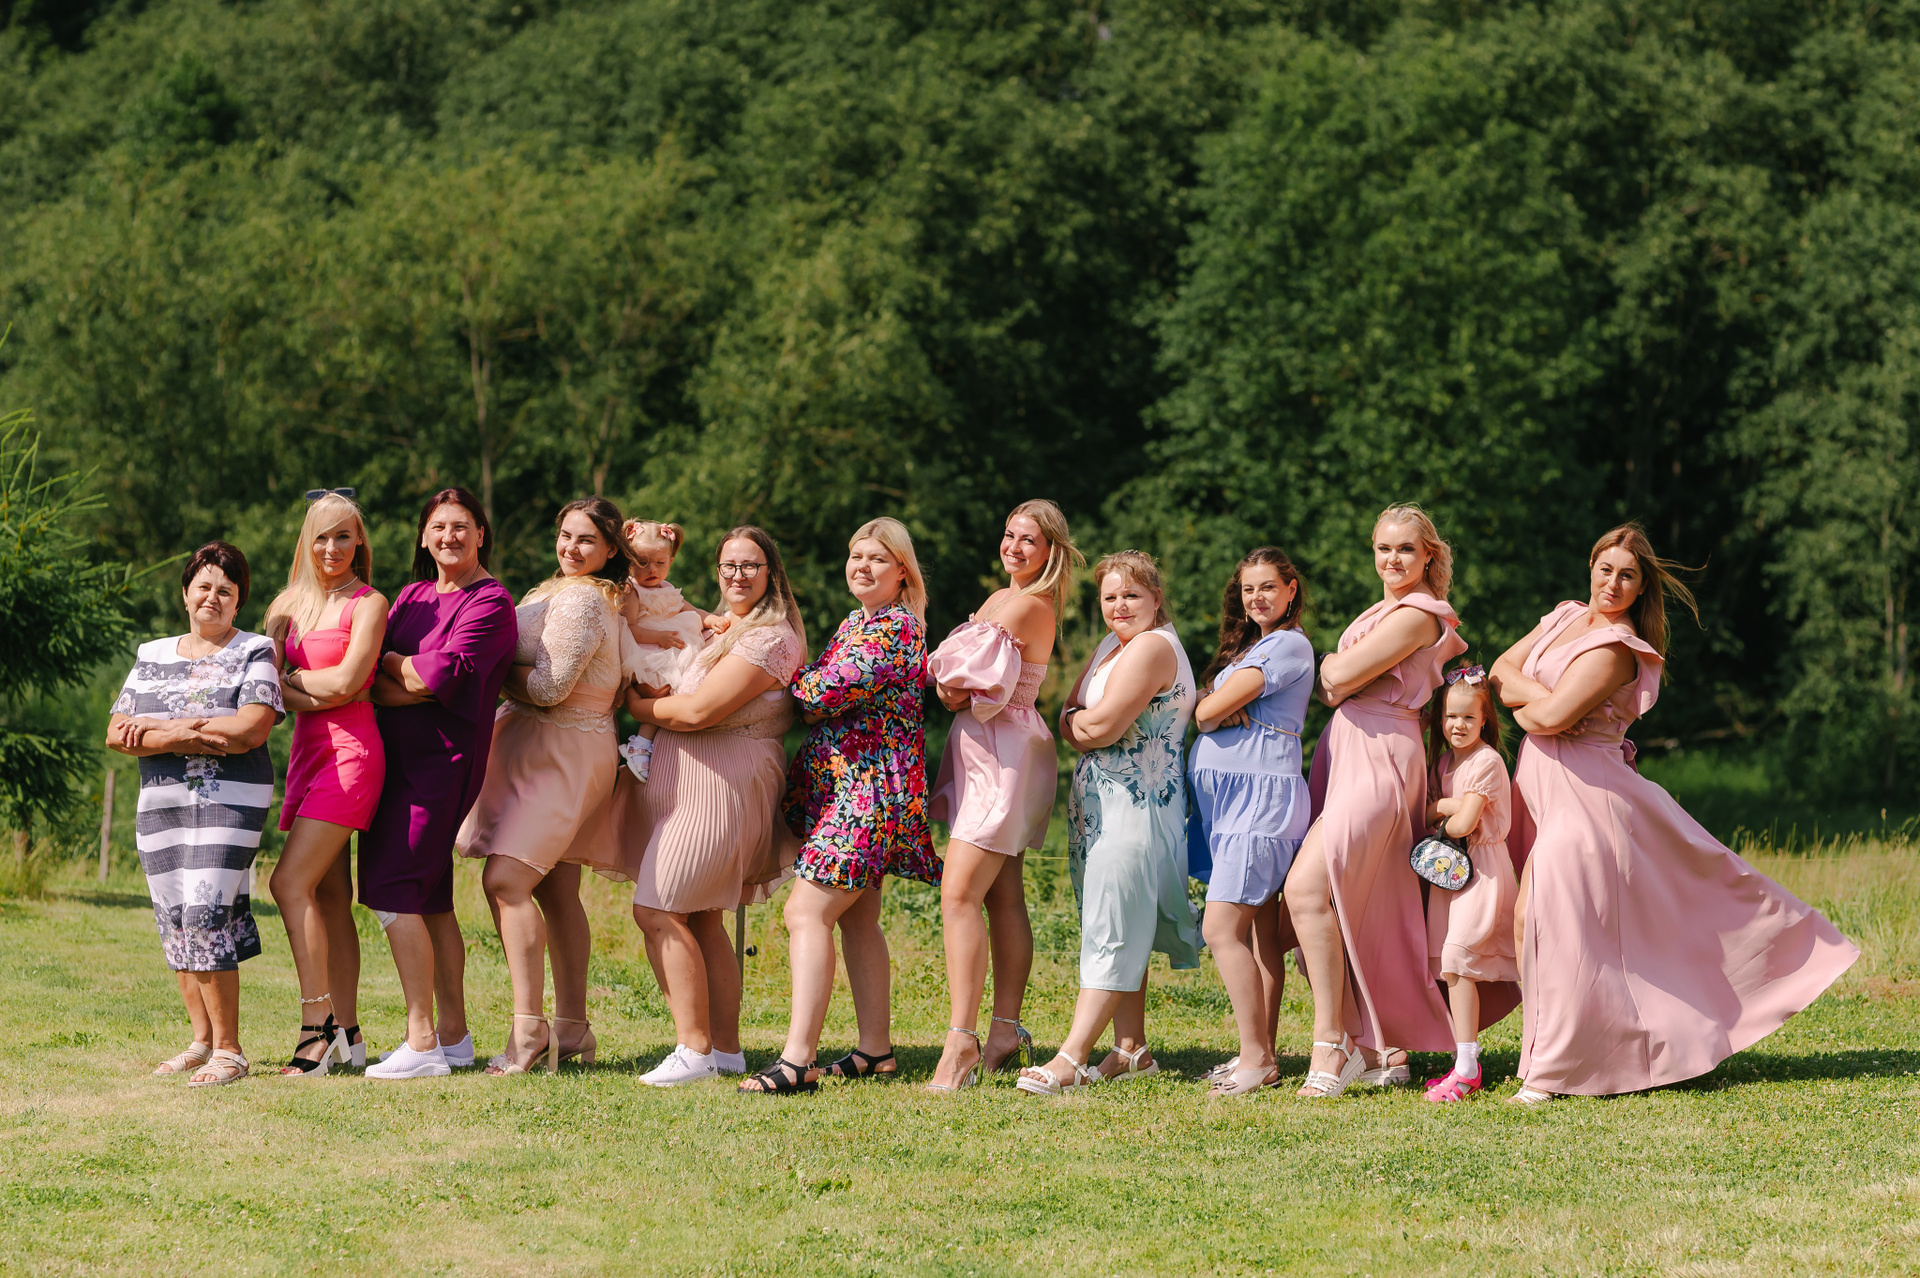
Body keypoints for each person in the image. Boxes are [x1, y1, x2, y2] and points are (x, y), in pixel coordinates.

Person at [1491, 524, 1859, 1103]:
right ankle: (1553, 1051)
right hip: (1549, 797)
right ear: (1591, 566)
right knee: (1527, 923)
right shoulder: (1564, 616)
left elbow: (1549, 719)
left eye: (1627, 576)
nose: (1613, 584)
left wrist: (1527, 700)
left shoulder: (1619, 649)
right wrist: (1534, 699)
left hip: (1589, 801)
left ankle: (1549, 1074)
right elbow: (1498, 670)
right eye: (1606, 569)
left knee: (1559, 930)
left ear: (1642, 588)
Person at [740, 518, 940, 1094]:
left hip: (869, 793)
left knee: (805, 913)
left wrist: (791, 676)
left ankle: (796, 1061)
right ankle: (875, 1051)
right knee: (857, 917)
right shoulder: (857, 622)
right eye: (856, 556)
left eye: (878, 558)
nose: (863, 567)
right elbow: (819, 695)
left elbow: (823, 691)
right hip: (846, 790)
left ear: (902, 572)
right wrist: (811, 684)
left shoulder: (897, 627)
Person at [610, 526, 806, 1087]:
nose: (737, 576)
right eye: (728, 566)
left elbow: (698, 712)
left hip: (725, 782)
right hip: (686, 782)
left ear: (771, 573)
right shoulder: (721, 625)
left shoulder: (770, 638)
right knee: (700, 916)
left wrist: (637, 705)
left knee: (657, 910)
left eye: (749, 566)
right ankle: (725, 1051)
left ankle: (692, 1049)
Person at [457, 498, 644, 1074]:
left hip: (564, 751)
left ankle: (529, 1030)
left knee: (506, 879)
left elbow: (548, 687)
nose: (571, 547)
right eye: (565, 535)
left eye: (586, 539)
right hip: (536, 748)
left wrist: (488, 674)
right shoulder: (553, 590)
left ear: (610, 549)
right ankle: (574, 1027)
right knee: (558, 890)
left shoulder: (586, 598)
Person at [1287, 504, 1467, 1098]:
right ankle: (1372, 1046)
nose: (1393, 559)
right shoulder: (1383, 610)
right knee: (1349, 902)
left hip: (1382, 754)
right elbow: (1336, 681)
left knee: (1307, 889)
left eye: (1406, 549)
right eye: (1383, 548)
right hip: (1349, 750)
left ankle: (1332, 1042)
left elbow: (1336, 679)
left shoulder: (1419, 614)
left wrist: (1332, 667)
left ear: (1428, 556)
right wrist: (1336, 673)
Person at [1018, 552, 1201, 1095]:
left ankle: (1071, 1059)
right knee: (1117, 919)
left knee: (1114, 924)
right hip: (1099, 809)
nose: (1120, 606)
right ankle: (1131, 1048)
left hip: (1136, 810)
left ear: (1156, 599)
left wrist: (1081, 725)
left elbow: (1098, 727)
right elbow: (1070, 711)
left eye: (1132, 595)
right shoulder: (1111, 646)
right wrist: (1082, 723)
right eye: (1110, 597)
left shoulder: (1151, 647)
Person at [108, 542, 283, 1087]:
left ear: (238, 602)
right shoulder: (152, 653)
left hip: (230, 801)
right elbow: (117, 733)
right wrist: (191, 733)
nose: (213, 597)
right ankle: (201, 1041)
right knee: (176, 917)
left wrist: (163, 730)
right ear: (185, 594)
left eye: (225, 591)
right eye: (204, 587)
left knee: (206, 910)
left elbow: (251, 728)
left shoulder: (256, 649)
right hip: (162, 803)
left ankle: (230, 1051)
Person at [925, 499, 1084, 1092]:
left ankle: (960, 1042)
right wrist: (949, 681)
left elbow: (954, 680)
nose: (1014, 547)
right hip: (986, 749)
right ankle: (1005, 1031)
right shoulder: (1001, 598)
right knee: (1003, 895)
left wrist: (948, 680)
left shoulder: (1025, 605)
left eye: (1029, 540)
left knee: (959, 893)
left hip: (1002, 754)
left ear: (1050, 552)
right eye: (1010, 534)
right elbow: (951, 678)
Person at [359, 489, 518, 1081]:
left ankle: (420, 1040)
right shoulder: (410, 596)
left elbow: (438, 677)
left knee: (396, 887)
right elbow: (374, 674)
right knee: (430, 899)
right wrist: (400, 673)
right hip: (391, 758)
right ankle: (454, 1037)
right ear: (424, 537)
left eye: (461, 526)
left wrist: (398, 670)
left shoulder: (491, 601)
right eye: (438, 527)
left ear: (481, 534)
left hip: (441, 764)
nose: (449, 536)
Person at [264, 490, 387, 1076]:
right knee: (331, 896)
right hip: (307, 755)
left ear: (359, 539)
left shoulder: (370, 603)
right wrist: (313, 685)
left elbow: (347, 684)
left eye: (343, 535)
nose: (332, 547)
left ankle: (318, 1029)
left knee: (288, 882)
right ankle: (350, 1032)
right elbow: (267, 687)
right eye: (321, 536)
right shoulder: (285, 605)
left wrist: (296, 682)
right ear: (305, 541)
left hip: (352, 754)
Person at [1186, 547, 1315, 1097]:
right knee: (1261, 935)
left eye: (1267, 587)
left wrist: (1212, 705)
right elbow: (1206, 702)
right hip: (1235, 806)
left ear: (1290, 590)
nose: (1256, 598)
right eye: (1247, 589)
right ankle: (1259, 1053)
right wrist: (1213, 700)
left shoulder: (1288, 644)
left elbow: (1203, 712)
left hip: (1259, 804)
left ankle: (1256, 1058)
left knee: (1220, 928)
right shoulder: (1252, 649)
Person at [1418, 664, 1518, 1103]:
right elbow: (1430, 814)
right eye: (1450, 716)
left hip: (1482, 872)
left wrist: (1443, 809)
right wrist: (1445, 805)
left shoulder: (1486, 762)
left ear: (1484, 720)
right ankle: (1463, 1061)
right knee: (1451, 967)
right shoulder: (1444, 762)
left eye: (1468, 717)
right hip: (1450, 874)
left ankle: (1467, 1068)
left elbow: (1461, 825)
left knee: (1457, 958)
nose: (1458, 725)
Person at [615, 520, 726, 782]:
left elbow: (690, 610)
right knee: (661, 692)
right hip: (648, 651)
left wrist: (710, 619)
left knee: (677, 691)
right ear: (629, 562)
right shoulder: (632, 590)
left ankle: (649, 744)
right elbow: (629, 628)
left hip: (670, 647)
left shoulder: (666, 587)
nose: (651, 569)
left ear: (671, 561)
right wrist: (658, 637)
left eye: (659, 563)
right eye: (642, 563)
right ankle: (640, 743)